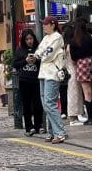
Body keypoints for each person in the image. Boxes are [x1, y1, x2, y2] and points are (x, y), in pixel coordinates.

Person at [30, 16, 67, 144]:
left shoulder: (57, 37)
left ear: (52, 25)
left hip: (53, 73)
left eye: (46, 24)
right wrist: (35, 56)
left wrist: (38, 56)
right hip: (43, 73)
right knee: (46, 104)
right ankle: (52, 132)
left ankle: (60, 132)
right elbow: (39, 50)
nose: (44, 26)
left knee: (50, 103)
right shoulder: (46, 38)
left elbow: (48, 55)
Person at [69, 17, 92, 125]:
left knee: (87, 93)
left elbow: (73, 57)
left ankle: (90, 119)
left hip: (82, 65)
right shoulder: (91, 38)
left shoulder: (74, 41)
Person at [13, 29, 43, 136]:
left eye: (31, 38)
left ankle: (38, 125)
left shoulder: (38, 49)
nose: (29, 41)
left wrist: (36, 60)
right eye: (27, 39)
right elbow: (15, 64)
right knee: (26, 105)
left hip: (36, 79)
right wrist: (25, 61)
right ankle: (28, 126)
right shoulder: (20, 50)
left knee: (37, 104)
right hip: (24, 80)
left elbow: (43, 61)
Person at [62, 22, 86, 127]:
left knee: (73, 94)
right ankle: (73, 117)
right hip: (73, 70)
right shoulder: (70, 46)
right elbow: (73, 59)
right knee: (74, 94)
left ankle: (74, 116)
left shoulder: (64, 46)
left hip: (69, 70)